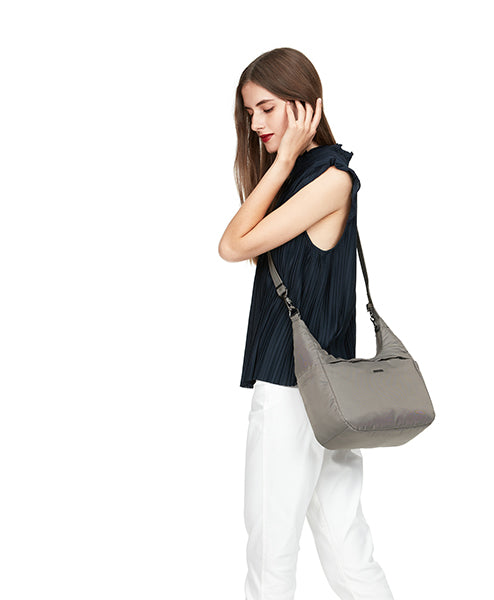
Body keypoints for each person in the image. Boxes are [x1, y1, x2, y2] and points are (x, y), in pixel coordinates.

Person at [218, 47, 395, 600]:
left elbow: (232, 245)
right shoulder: (308, 178)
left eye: (267, 108)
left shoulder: (329, 179)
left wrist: (281, 164)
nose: (256, 124)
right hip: (329, 394)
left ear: (305, 105)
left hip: (293, 389)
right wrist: (282, 166)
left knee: (272, 557)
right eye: (249, 112)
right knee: (347, 551)